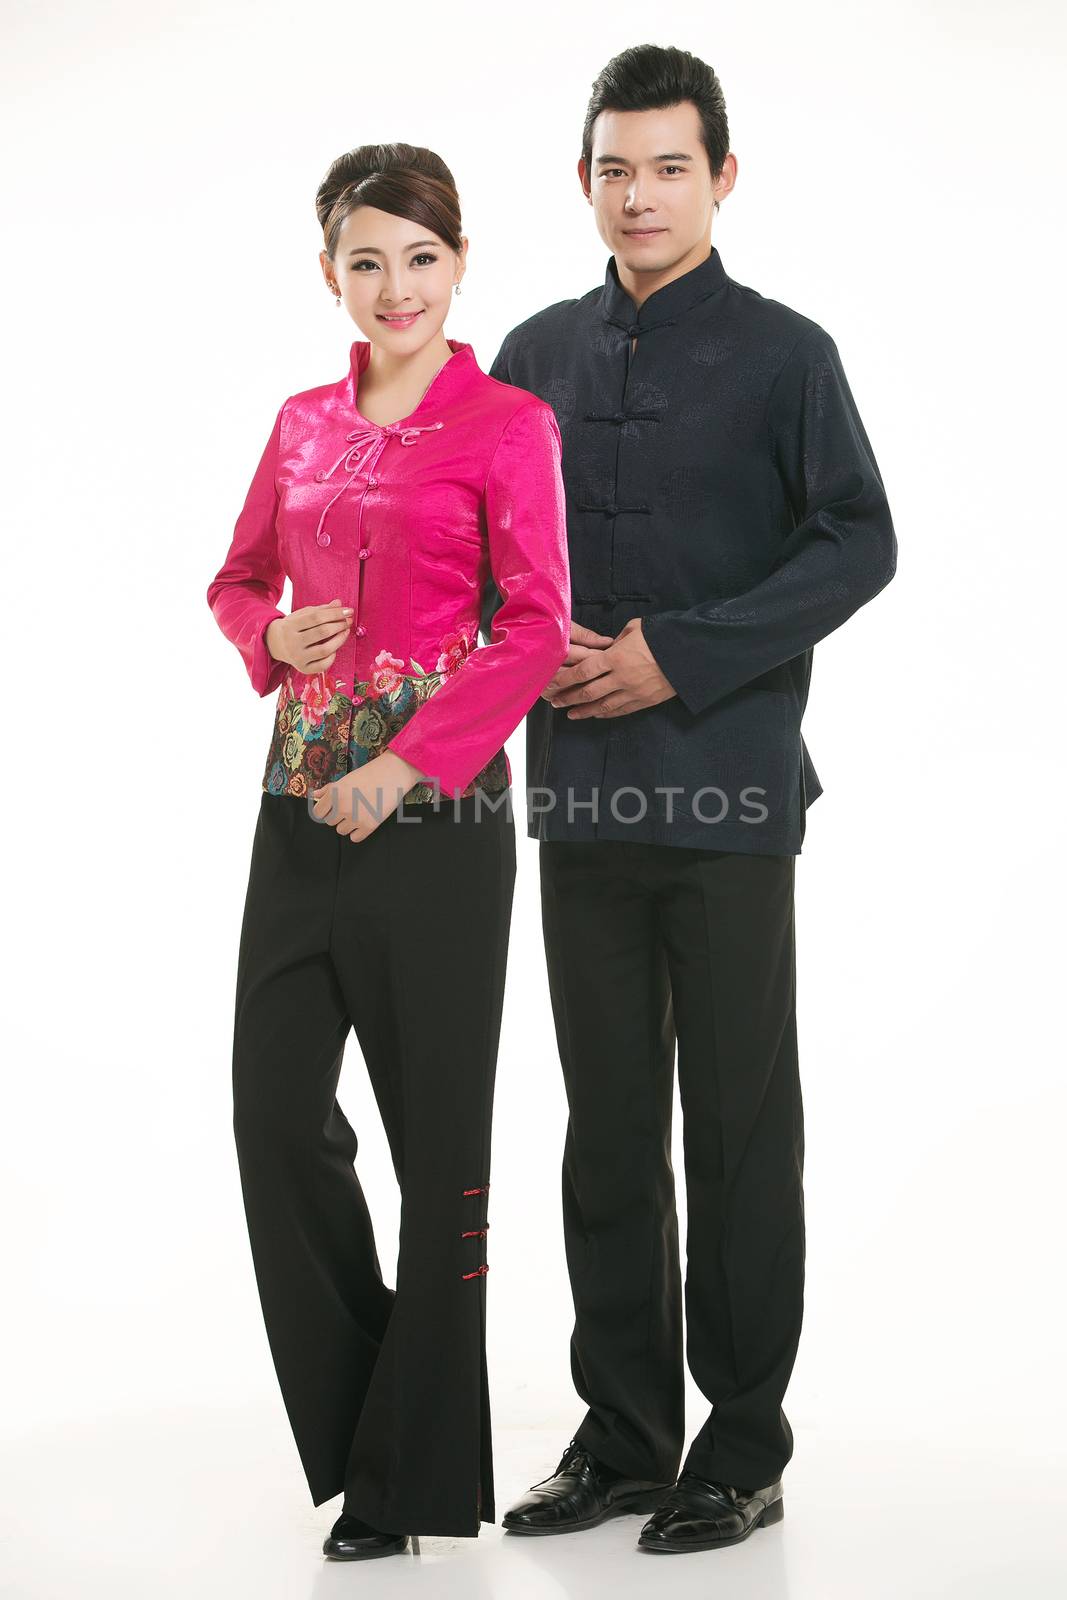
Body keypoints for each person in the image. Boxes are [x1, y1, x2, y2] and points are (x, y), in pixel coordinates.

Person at [486, 46, 898, 1553]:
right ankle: (626, 1434)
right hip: (579, 798)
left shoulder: (788, 355)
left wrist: (681, 656)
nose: (641, 193)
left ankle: (741, 1444)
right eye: (615, 166)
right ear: (583, 180)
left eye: (670, 165)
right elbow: (489, 571)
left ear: (723, 176)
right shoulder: (529, 355)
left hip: (728, 794)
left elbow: (859, 542)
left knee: (733, 1126)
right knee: (604, 1128)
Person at [205, 142, 570, 1560]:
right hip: (299, 803)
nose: (396, 285)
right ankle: (375, 1415)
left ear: (460, 263)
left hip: (441, 820)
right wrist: (265, 637)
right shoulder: (301, 423)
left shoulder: (508, 425)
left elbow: (537, 625)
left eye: (421, 256)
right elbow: (237, 579)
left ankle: (406, 1481)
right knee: (272, 1111)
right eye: (367, 259)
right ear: (330, 274)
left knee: (438, 1151)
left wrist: (412, 765)